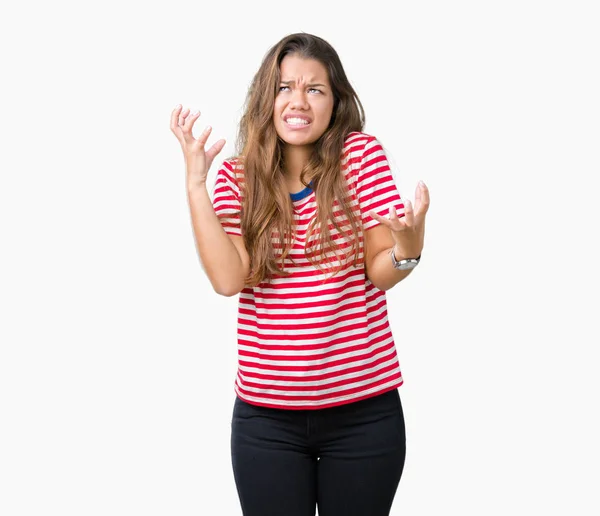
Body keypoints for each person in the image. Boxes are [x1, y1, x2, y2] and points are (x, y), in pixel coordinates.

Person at [170, 32, 429, 516]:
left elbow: (380, 270)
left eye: (315, 89)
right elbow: (229, 280)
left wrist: (408, 249)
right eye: (285, 87)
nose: (299, 101)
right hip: (266, 422)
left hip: (363, 413)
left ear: (335, 102)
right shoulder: (235, 178)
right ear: (267, 97)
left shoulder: (359, 157)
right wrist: (195, 185)